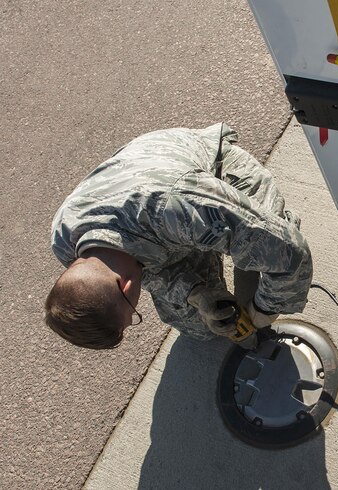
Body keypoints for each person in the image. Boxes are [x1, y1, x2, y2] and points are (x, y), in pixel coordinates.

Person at [45, 123, 312, 349]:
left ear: (126, 287)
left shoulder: (178, 208)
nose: (135, 312)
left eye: (133, 313)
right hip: (160, 218)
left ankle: (272, 222)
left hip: (214, 168)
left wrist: (264, 311)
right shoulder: (66, 243)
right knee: (200, 327)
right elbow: (149, 274)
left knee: (271, 247)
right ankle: (221, 246)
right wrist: (196, 293)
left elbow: (292, 254)